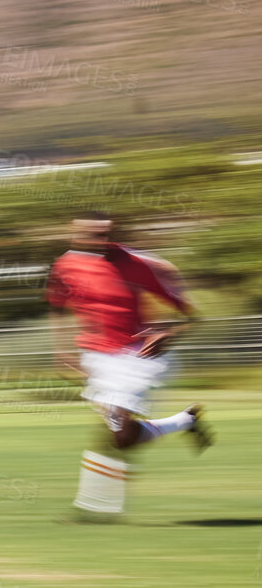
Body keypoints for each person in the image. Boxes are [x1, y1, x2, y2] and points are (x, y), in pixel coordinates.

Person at [47, 211, 212, 523]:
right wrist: (60, 349)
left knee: (117, 430)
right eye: (87, 234)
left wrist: (168, 334)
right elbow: (56, 305)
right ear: (75, 234)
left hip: (139, 355)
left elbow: (193, 316)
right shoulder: (65, 264)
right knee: (121, 436)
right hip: (96, 358)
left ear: (113, 234)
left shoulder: (140, 265)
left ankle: (93, 509)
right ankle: (185, 421)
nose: (96, 241)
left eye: (102, 234)